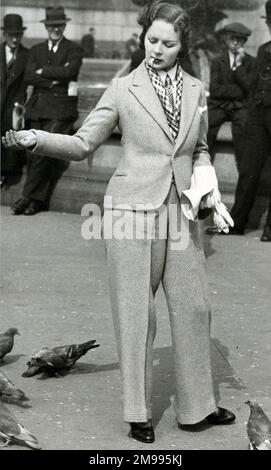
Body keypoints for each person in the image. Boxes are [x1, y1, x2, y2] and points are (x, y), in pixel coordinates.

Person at [3, 0, 235, 443]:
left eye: (168, 43)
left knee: (194, 308)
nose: (157, 49)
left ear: (182, 46)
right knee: (135, 314)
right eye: (152, 40)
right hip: (130, 211)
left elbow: (200, 147)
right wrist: (36, 139)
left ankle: (197, 407)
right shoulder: (123, 88)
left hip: (180, 212)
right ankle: (138, 413)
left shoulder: (195, 89)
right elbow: (83, 143)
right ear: (144, 36)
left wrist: (205, 176)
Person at [10, 6, 83, 216]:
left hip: (61, 109)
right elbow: (29, 76)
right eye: (52, 26)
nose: (56, 29)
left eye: (59, 25)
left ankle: (30, 198)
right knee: (33, 153)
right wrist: (53, 80)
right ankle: (35, 200)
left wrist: (44, 72)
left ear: (64, 26)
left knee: (42, 151)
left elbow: (71, 71)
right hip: (38, 106)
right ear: (46, 27)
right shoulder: (36, 50)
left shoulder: (74, 49)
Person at [208, 2, 271, 242]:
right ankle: (236, 223)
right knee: (248, 171)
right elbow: (251, 88)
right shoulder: (264, 51)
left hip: (258, 115)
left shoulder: (256, 56)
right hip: (256, 117)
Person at [207, 22, 255, 169]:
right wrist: (238, 91)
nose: (235, 43)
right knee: (206, 130)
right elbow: (214, 89)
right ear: (226, 39)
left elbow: (250, 89)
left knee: (243, 133)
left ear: (244, 42)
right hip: (219, 107)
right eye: (232, 38)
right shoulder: (217, 61)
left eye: (239, 40)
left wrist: (239, 67)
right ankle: (201, 171)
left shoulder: (250, 62)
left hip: (239, 108)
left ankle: (244, 172)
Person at [0, 14, 29, 188]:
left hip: (13, 108)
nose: (14, 38)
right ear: (4, 34)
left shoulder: (27, 55)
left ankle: (4, 173)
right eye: (11, 34)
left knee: (8, 138)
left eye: (18, 35)